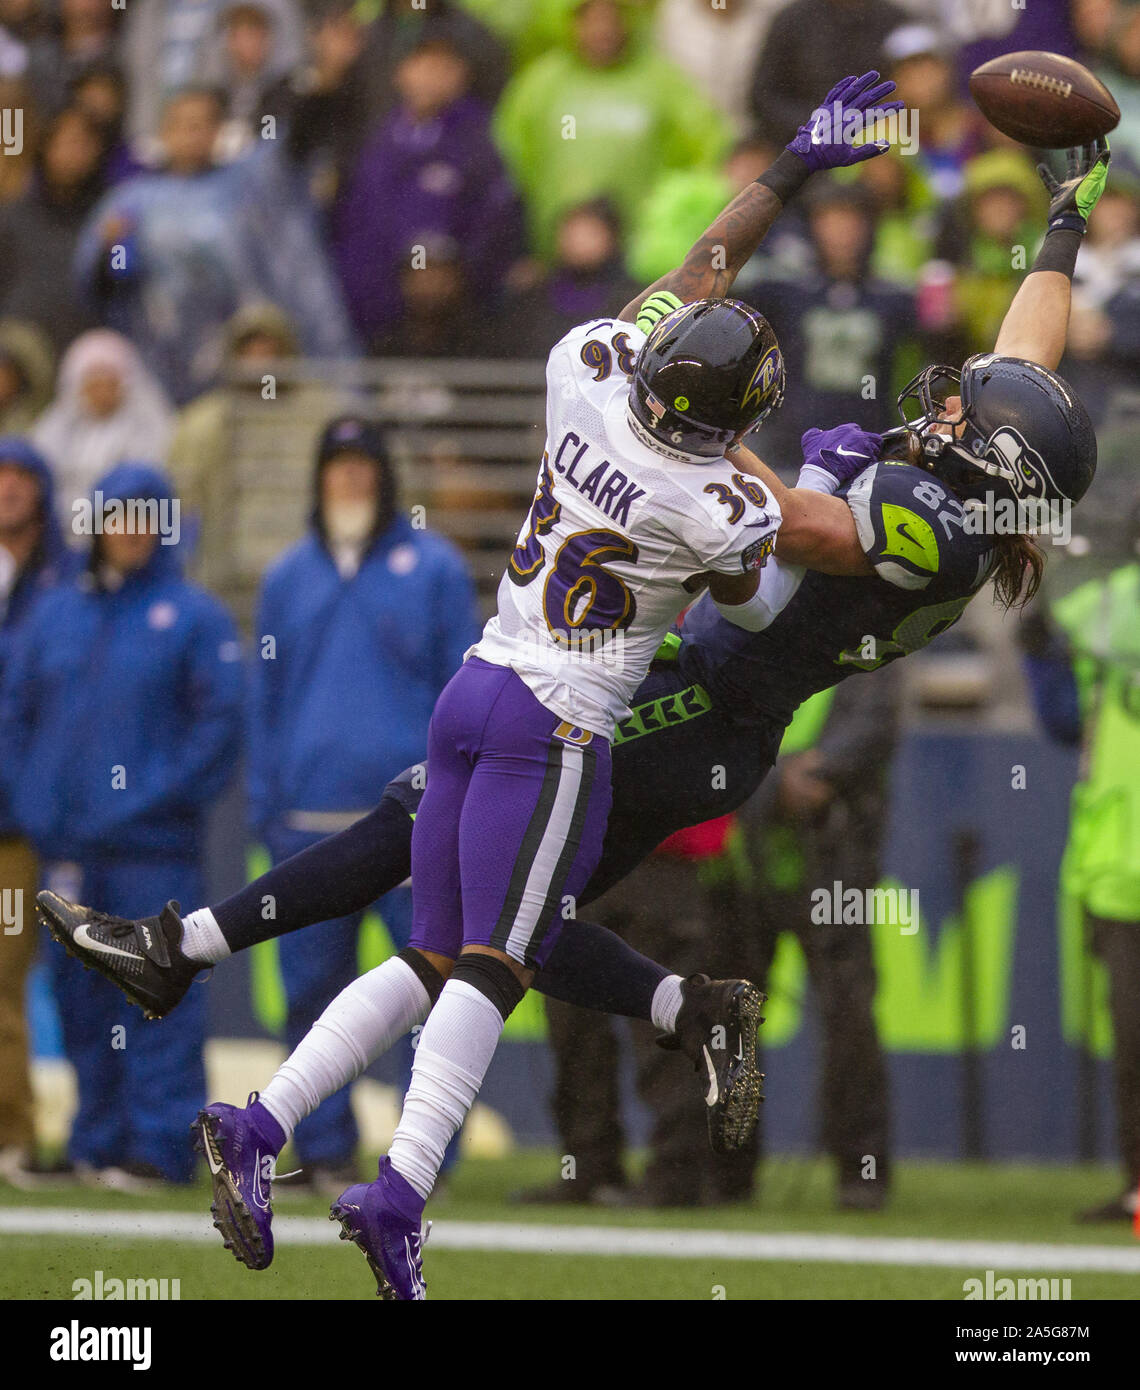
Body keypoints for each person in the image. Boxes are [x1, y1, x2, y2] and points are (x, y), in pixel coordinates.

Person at [42, 94, 1103, 1288]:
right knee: (467, 938)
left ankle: (216, 978)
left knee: (454, 896)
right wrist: (1068, 215)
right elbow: (1029, 362)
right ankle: (642, 1019)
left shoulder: (923, 525)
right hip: (674, 679)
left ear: (985, 460)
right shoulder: (971, 477)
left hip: (698, 704)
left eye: (964, 412)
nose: (947, 396)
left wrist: (730, 335)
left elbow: (784, 520)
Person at [246, 414, 479, 1191]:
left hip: (413, 825)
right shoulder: (287, 576)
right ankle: (322, 1147)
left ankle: (421, 1160)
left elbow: (467, 691)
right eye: (336, 467)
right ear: (319, 480)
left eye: (362, 467)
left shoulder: (435, 569)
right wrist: (266, 803)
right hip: (308, 823)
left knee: (431, 988)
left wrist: (458, 803)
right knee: (312, 994)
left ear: (384, 479)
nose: (349, 480)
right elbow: (265, 699)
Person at [5, 463, 243, 1184]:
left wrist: (151, 796)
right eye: (118, 515)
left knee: (154, 990)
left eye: (145, 517)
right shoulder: (56, 612)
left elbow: (220, 725)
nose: (130, 531)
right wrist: (36, 800)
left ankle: (159, 1146)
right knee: (79, 999)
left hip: (154, 847)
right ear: (96, 524)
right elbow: (15, 714)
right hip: (70, 846)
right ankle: (93, 1140)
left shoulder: (193, 616)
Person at [74, 85, 355, 405]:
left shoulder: (243, 192)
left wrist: (322, 80)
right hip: (159, 358)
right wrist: (117, 249)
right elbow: (116, 281)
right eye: (185, 124)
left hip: (235, 353)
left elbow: (281, 245)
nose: (195, 134)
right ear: (165, 132)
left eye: (204, 124)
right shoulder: (134, 200)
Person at [1021, 497, 1140, 1223]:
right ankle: (1137, 1186)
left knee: (1133, 1047)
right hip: (1115, 866)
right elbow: (1066, 716)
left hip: (1114, 866)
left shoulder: (1110, 602)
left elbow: (1051, 624)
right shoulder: (1113, 601)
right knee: (1130, 1047)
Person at [0, 438, 80, 1185]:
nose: (9, 490)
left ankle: (14, 1137)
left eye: (23, 476)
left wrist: (39, 801)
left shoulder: (62, 589)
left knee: (5, 981)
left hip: (16, 827)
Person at [31, 328, 173, 529]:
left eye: (110, 383)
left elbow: (152, 479)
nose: (102, 393)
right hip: (63, 528)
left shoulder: (149, 428)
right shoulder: (57, 428)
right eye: (94, 384)